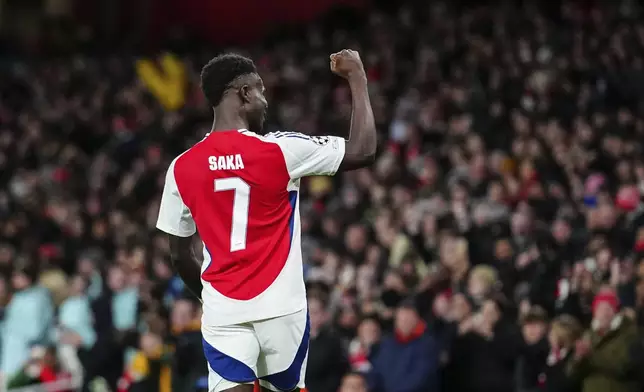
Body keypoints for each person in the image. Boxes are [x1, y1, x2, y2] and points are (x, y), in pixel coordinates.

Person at [155, 49, 376, 392]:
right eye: (260, 90)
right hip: (281, 309)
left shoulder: (181, 167)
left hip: (223, 311)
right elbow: (363, 149)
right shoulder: (281, 150)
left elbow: (179, 253)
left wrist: (211, 296)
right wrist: (357, 77)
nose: (265, 101)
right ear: (243, 93)